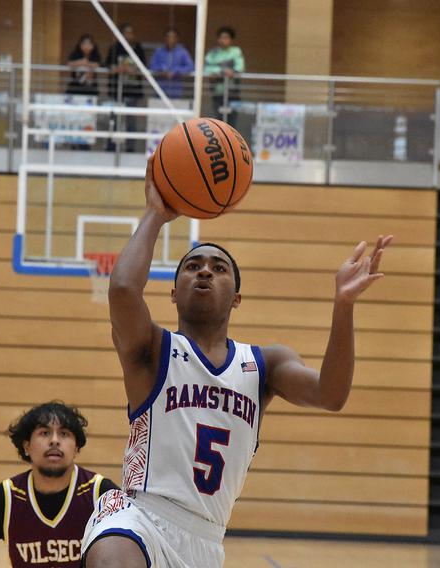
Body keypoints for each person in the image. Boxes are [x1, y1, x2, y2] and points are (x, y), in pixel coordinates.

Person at [81, 160, 393, 568]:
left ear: (237, 297)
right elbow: (123, 289)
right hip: (139, 516)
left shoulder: (265, 364)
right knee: (113, 557)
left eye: (219, 267)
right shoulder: (153, 349)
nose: (205, 271)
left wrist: (344, 306)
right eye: (192, 267)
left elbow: (331, 395)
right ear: (174, 294)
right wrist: (157, 214)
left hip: (206, 541)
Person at [0, 401, 118, 568]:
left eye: (64, 434)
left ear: (77, 447)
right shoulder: (3, 498)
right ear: (26, 446)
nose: (54, 440)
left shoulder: (102, 494)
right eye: (44, 433)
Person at [106, 22, 147, 152]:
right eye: (126, 32)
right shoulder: (115, 48)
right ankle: (112, 145)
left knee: (131, 118)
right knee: (115, 117)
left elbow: (143, 67)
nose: (129, 35)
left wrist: (133, 70)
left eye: (131, 32)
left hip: (132, 89)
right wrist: (121, 68)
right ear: (121, 34)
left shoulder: (138, 48)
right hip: (117, 88)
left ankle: (130, 147)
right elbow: (108, 66)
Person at [204, 26, 245, 127]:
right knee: (218, 121)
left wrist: (231, 71)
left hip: (233, 92)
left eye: (226, 38)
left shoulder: (236, 51)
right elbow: (207, 68)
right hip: (218, 92)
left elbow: (240, 67)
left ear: (231, 40)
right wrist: (223, 71)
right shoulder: (213, 53)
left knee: (232, 121)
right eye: (221, 38)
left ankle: (231, 142)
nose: (223, 40)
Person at [150, 27, 195, 100]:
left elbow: (190, 66)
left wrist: (176, 71)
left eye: (173, 37)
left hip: (176, 89)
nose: (170, 39)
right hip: (160, 88)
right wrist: (161, 69)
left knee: (175, 109)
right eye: (168, 37)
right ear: (164, 38)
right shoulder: (158, 51)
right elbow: (152, 65)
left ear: (177, 39)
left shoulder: (182, 52)